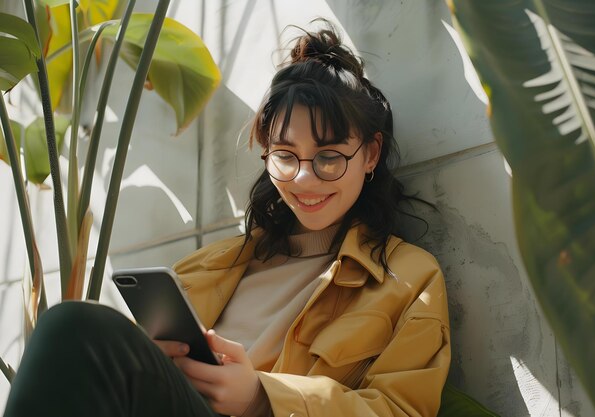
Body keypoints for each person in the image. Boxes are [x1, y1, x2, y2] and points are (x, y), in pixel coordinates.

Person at [3, 22, 450, 417]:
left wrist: (262, 397)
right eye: (285, 157)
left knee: (71, 326)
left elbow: (400, 409)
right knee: (72, 332)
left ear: (370, 153)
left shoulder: (410, 280)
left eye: (329, 158)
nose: (305, 179)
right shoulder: (210, 267)